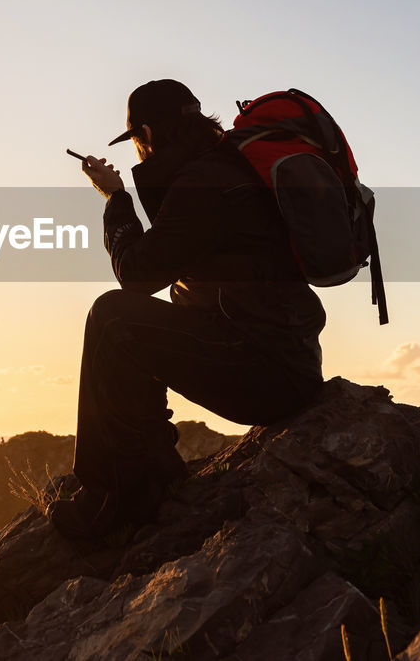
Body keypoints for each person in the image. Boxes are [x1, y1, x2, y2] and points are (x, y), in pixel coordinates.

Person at [46, 79, 327, 540]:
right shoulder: (224, 170)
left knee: (113, 316)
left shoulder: (205, 183)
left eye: (137, 139)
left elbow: (137, 277)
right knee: (128, 325)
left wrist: (116, 200)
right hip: (283, 361)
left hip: (265, 372)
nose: (138, 150)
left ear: (149, 134)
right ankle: (152, 473)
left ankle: (115, 499)